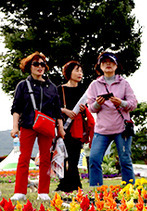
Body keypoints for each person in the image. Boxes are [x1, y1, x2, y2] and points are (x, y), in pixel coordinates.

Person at [10, 52, 66, 201]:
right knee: (24, 158)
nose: (40, 67)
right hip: (28, 125)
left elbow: (57, 110)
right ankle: (20, 191)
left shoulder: (52, 87)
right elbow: (16, 108)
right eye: (36, 64)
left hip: (47, 126)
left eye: (42, 64)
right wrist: (15, 127)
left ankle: (43, 192)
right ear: (29, 67)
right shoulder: (23, 85)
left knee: (46, 159)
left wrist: (60, 128)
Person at [86, 51, 137, 187]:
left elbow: (133, 103)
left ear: (116, 65)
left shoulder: (124, 83)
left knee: (125, 160)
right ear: (100, 66)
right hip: (102, 129)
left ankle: (129, 191)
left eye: (111, 62)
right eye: (104, 62)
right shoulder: (94, 85)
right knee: (94, 159)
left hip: (122, 128)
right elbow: (91, 108)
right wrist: (98, 103)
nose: (108, 64)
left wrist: (121, 102)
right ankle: (96, 191)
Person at [57, 61, 94, 193]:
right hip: (63, 126)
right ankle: (65, 184)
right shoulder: (60, 89)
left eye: (81, 71)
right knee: (63, 156)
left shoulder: (83, 91)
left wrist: (85, 109)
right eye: (77, 70)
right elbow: (54, 107)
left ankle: (74, 185)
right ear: (69, 72)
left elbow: (88, 108)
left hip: (78, 127)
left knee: (74, 157)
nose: (80, 74)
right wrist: (64, 111)